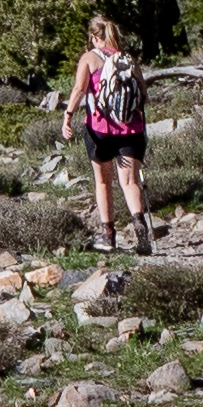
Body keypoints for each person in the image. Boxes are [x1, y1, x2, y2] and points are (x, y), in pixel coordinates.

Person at [57, 14, 152, 254]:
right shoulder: (128, 59)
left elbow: (79, 89)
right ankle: (139, 224)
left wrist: (67, 116)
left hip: (100, 130)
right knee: (129, 182)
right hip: (132, 129)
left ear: (92, 36)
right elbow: (144, 95)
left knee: (103, 182)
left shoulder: (89, 58)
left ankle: (109, 236)